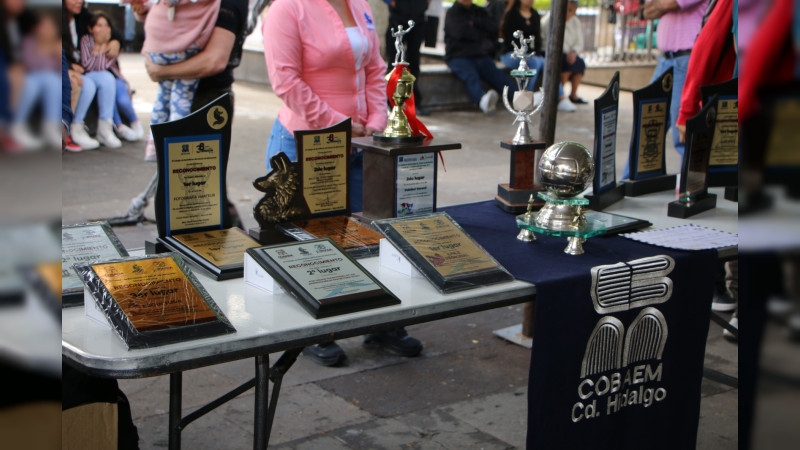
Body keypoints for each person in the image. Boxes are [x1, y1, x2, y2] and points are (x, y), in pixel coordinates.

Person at [263, 0, 423, 366]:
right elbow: (286, 82)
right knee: (310, 241)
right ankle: (312, 329)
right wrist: (338, 125)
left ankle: (381, 321)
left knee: (372, 234)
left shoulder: (359, 3)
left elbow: (375, 68)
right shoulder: (288, 8)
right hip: (306, 141)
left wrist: (378, 119)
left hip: (361, 141)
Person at [145, 0, 248, 227]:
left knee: (202, 190)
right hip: (184, 96)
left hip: (208, 101)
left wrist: (161, 70)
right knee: (186, 191)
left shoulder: (229, 3)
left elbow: (214, 60)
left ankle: (229, 243)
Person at [132, 0, 220, 157]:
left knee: (163, 96)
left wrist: (143, 9)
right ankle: (176, 148)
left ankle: (153, 144)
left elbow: (147, 6)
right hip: (185, 45)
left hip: (158, 47)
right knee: (181, 99)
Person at [63, 0, 123, 150]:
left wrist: (116, 41)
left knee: (107, 78)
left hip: (82, 69)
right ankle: (74, 128)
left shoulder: (81, 15)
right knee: (86, 84)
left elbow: (105, 25)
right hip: (65, 67)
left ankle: (105, 128)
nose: (79, 1)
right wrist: (68, 67)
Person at [444, 0, 516, 115]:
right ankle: (482, 100)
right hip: (458, 56)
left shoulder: (479, 11)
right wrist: (480, 30)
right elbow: (461, 32)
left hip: (479, 55)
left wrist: (474, 23)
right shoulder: (453, 12)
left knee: (497, 75)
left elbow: (493, 28)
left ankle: (517, 97)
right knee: (470, 76)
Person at [80, 13, 143, 144]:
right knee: (108, 87)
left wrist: (100, 49)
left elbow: (104, 65)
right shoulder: (86, 40)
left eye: (106, 25)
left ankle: (135, 123)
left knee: (122, 100)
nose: (103, 29)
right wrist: (100, 48)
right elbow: (89, 65)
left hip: (114, 77)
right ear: (91, 28)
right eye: (99, 25)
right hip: (97, 77)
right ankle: (118, 126)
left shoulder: (113, 42)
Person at [11, 12, 61, 151]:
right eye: (43, 26)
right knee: (31, 84)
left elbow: (60, 69)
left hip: (52, 80)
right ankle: (17, 125)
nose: (47, 30)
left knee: (54, 81)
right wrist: (45, 50)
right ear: (36, 28)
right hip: (30, 77)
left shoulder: (58, 44)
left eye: (50, 27)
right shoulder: (28, 41)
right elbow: (29, 64)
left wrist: (56, 53)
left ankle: (51, 126)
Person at [385, 0, 429, 115]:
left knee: (413, 62)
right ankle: (390, 102)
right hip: (398, 15)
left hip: (417, 16)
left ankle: (414, 104)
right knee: (394, 61)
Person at [541, 0, 586, 109]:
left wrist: (573, 52)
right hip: (552, 52)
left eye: (571, 10)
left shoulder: (575, 22)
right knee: (565, 65)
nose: (568, 13)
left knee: (580, 64)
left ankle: (573, 95)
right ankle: (558, 96)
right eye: (567, 9)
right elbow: (552, 41)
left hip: (570, 54)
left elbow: (579, 41)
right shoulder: (549, 20)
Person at [499, 0, 543, 90]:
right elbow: (510, 41)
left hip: (531, 54)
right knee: (533, 62)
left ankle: (560, 96)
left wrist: (536, 52)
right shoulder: (512, 15)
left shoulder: (535, 15)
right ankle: (528, 93)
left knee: (546, 63)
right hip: (512, 53)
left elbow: (538, 39)